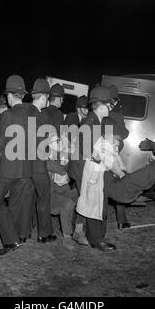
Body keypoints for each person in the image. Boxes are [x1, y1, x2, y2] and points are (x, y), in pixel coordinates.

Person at [0, 75, 34, 255]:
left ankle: (10, 241)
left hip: (9, 169)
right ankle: (16, 236)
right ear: (22, 95)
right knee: (15, 204)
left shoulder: (7, 115)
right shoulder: (33, 114)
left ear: (8, 96)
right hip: (26, 168)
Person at [75, 86, 117, 251]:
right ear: (100, 105)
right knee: (93, 204)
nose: (111, 108)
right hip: (88, 168)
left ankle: (94, 238)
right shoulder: (90, 122)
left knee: (95, 203)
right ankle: (96, 240)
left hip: (93, 168)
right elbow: (88, 152)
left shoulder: (97, 122)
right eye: (109, 105)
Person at [27, 78, 57, 244]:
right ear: (44, 97)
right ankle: (44, 234)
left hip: (25, 164)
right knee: (44, 197)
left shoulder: (27, 112)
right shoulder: (39, 115)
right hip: (38, 164)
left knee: (30, 197)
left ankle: (27, 229)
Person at [103, 85, 130, 230]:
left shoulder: (98, 112)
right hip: (112, 157)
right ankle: (121, 220)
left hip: (101, 157)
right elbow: (125, 134)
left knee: (103, 189)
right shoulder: (117, 115)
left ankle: (103, 222)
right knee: (118, 185)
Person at [64, 95, 90, 246]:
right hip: (69, 160)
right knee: (75, 194)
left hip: (79, 161)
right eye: (84, 107)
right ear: (78, 107)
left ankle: (77, 226)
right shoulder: (71, 118)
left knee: (80, 194)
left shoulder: (86, 120)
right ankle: (74, 228)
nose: (87, 110)